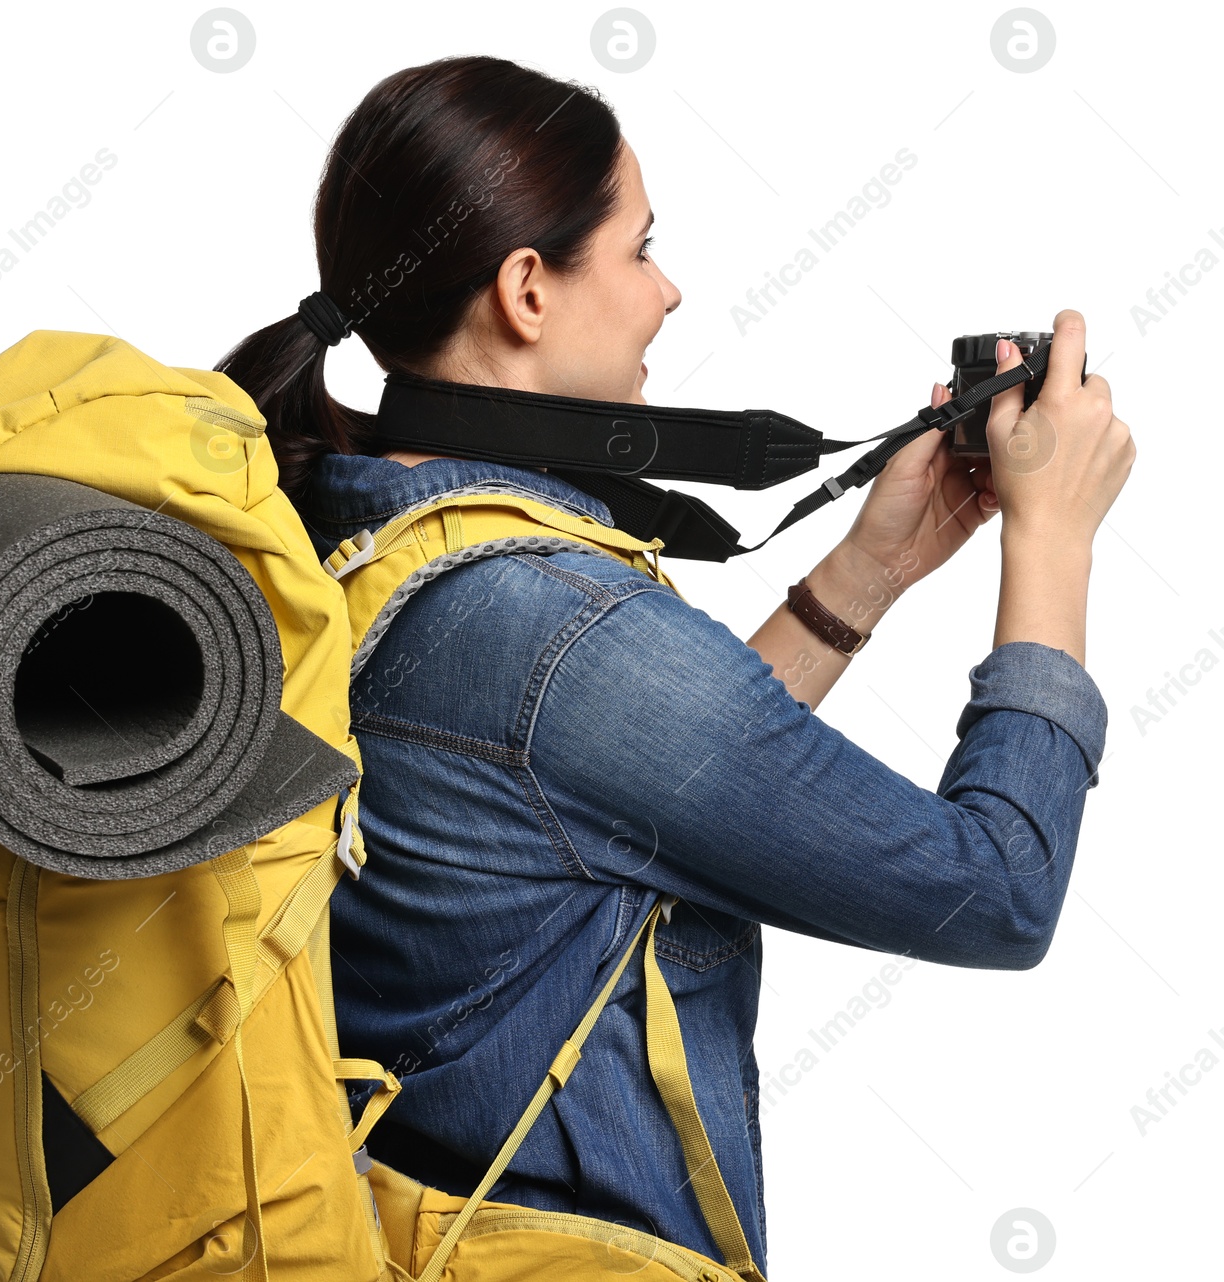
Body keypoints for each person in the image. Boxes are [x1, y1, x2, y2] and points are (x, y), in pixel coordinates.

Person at [214, 54, 1134, 1276]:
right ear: (527, 289)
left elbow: (588, 791)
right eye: (642, 249)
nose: (670, 291)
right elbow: (998, 890)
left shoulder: (342, 523)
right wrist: (1053, 539)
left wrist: (865, 573)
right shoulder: (545, 617)